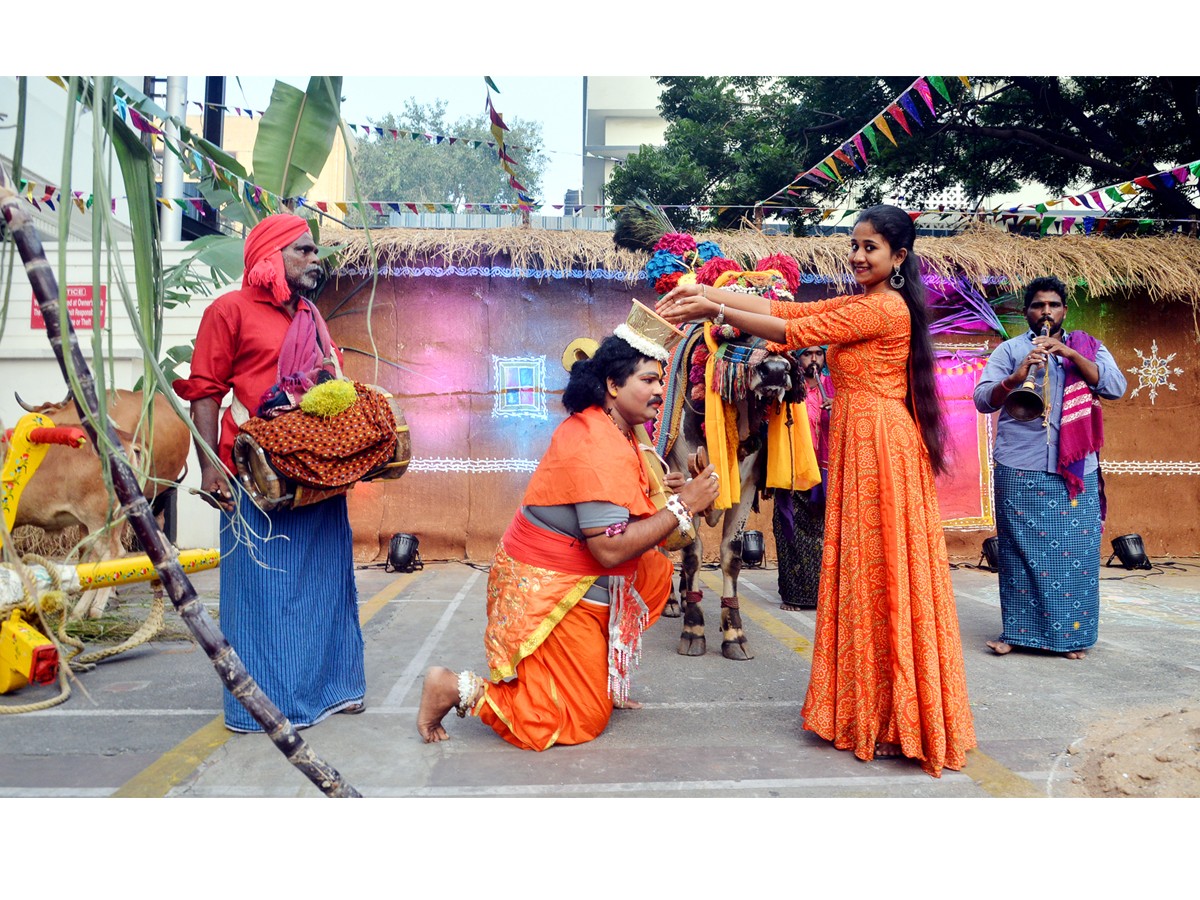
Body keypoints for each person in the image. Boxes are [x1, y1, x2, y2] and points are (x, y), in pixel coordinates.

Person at [657, 204, 976, 778]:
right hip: (862, 445)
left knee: (883, 572)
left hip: (880, 446)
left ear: (898, 257)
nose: (856, 255)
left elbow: (791, 331)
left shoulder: (884, 308)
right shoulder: (863, 301)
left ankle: (896, 716)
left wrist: (712, 305)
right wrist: (713, 302)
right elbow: (784, 308)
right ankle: (868, 711)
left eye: (870, 247)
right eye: (853, 245)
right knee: (865, 572)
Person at [417, 322, 720, 749]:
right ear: (613, 385)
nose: (658, 391)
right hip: (551, 584)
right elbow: (611, 548)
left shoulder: (615, 429)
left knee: (646, 578)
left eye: (661, 380)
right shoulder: (598, 445)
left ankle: (595, 679)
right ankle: (454, 688)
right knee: (573, 721)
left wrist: (667, 496)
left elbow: (624, 511)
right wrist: (683, 503)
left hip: (572, 574)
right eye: (648, 380)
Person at [173, 213, 366, 732]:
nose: (313, 259)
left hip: (317, 472)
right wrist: (209, 464)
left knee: (325, 583)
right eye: (302, 250)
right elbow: (206, 393)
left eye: (314, 250)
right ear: (268, 257)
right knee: (262, 591)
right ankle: (262, 706)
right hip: (256, 474)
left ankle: (333, 688)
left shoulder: (309, 314)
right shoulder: (228, 311)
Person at [973, 275, 1127, 660]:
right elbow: (981, 400)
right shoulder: (1009, 350)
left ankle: (1070, 638)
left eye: (1053, 305)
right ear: (1027, 311)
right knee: (1018, 554)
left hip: (1075, 468)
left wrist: (1071, 355)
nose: (1046, 312)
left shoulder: (1088, 347)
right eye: (1038, 305)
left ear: (1063, 310)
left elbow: (1115, 386)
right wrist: (1017, 377)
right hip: (1019, 464)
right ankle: (1017, 634)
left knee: (1075, 555)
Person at [774, 346, 834, 611]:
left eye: (818, 354)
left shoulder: (833, 387)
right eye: (807, 354)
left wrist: (839, 407)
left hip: (824, 470)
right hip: (793, 467)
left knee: (822, 534)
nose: (813, 359)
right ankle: (794, 595)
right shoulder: (788, 388)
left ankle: (824, 595)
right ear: (798, 358)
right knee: (789, 532)